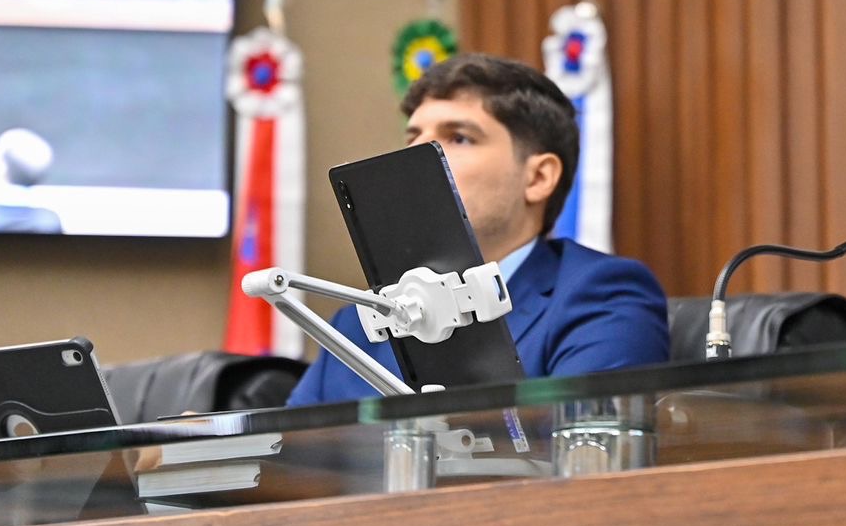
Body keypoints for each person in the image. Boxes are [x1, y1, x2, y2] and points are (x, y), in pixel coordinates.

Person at [286, 54, 669, 405]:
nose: (414, 156)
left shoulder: (602, 296)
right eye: (412, 137)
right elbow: (284, 456)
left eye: (459, 137)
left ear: (538, 178)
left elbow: (579, 450)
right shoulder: (356, 324)